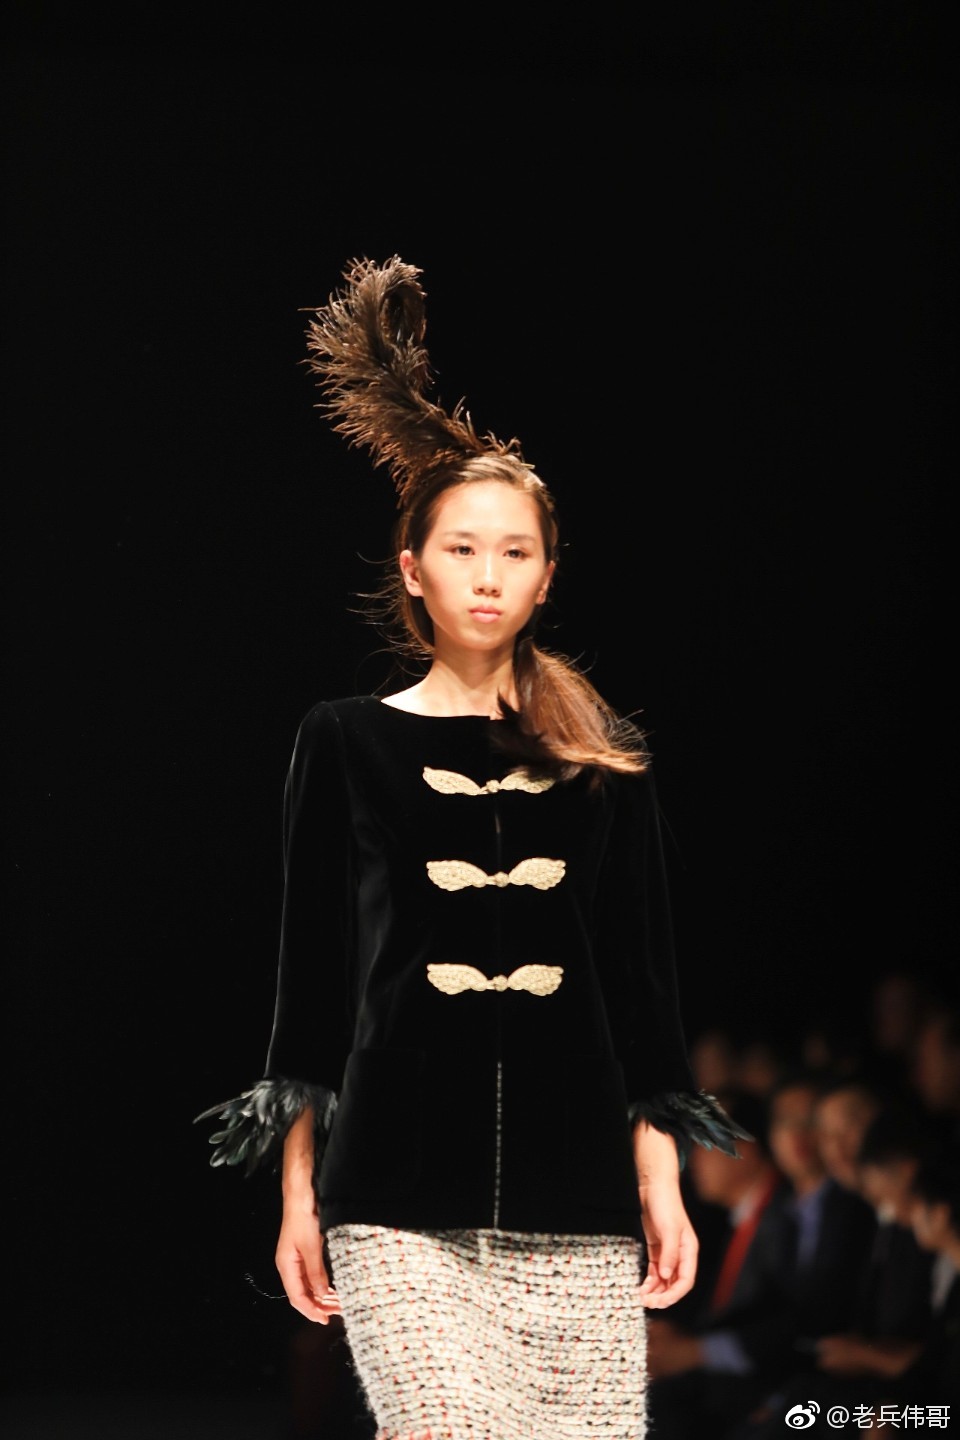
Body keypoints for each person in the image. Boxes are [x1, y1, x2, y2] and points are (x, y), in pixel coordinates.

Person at [198, 257, 752, 1440]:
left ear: (548, 576)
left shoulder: (603, 760)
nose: (487, 576)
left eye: (514, 552)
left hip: (578, 1201)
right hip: (394, 1197)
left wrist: (660, 1177)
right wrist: (299, 1193)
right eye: (461, 549)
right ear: (412, 569)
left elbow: (644, 992)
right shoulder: (344, 742)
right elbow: (311, 991)